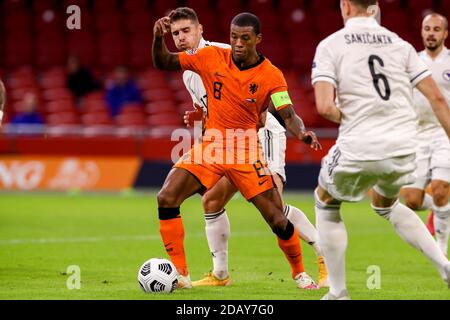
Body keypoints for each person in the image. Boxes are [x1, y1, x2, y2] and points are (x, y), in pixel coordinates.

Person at [153, 12, 322, 290]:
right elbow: (164, 61)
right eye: (234, 37)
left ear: (258, 39)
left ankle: (300, 273)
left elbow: (288, 113)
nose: (238, 43)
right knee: (167, 197)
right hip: (212, 146)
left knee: (276, 217)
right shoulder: (208, 58)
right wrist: (158, 38)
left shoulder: (270, 75)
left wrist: (301, 133)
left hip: (245, 150)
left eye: (245, 38)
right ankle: (181, 274)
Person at [311, 0, 450, 300]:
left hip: (360, 144)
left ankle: (338, 292)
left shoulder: (330, 45)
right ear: (374, 8)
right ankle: (444, 265)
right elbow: (438, 99)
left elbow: (324, 107)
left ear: (345, 6)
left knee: (325, 201)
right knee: (385, 204)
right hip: (403, 146)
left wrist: (351, 115)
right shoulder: (401, 46)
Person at [401, 13, 450, 258]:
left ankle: (441, 247)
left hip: (444, 133)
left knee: (440, 190)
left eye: (436, 29)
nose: (431, 33)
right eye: (427, 28)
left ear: (445, 34)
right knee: (411, 200)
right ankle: (445, 210)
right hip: (416, 134)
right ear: (422, 32)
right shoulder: (413, 62)